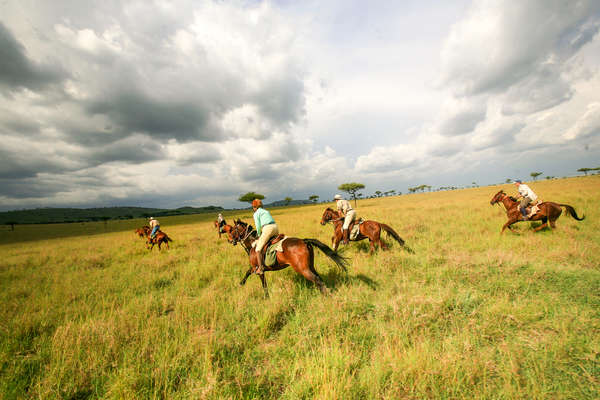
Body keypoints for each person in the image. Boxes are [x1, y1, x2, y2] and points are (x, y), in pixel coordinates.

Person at [252, 198, 279, 274]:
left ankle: (260, 268)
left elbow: (258, 225)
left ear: (254, 207)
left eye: (253, 207)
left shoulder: (256, 213)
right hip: (275, 227)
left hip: (267, 229)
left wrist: (259, 234)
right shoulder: (266, 211)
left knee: (258, 249)